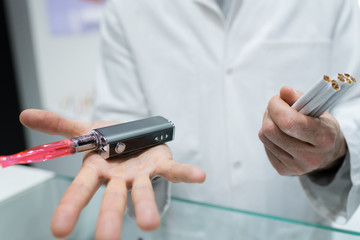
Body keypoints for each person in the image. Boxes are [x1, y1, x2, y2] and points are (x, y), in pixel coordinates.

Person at [19, 0, 360, 239]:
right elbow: (120, 117)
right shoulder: (128, 8)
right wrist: (130, 154)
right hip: (183, 230)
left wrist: (335, 145)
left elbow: (354, 100)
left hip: (296, 229)